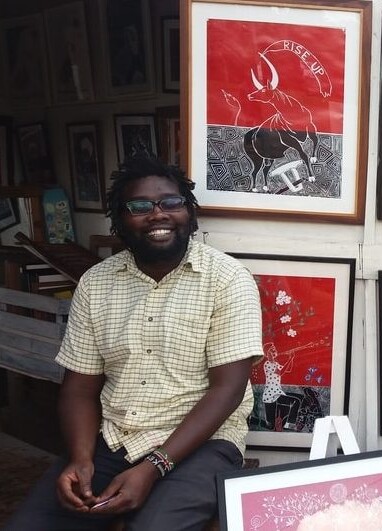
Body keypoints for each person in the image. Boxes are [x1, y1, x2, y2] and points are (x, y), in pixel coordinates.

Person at [5, 156, 264, 530]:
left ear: (190, 213)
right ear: (118, 221)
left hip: (201, 444)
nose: (158, 214)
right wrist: (80, 459)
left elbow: (227, 390)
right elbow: (79, 388)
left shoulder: (227, 280)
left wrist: (154, 467)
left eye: (171, 203)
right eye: (139, 206)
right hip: (113, 439)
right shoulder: (96, 283)